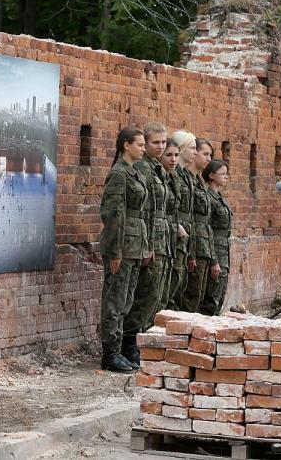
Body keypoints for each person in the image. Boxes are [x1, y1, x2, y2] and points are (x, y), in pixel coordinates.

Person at [99, 126, 148, 373]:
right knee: (115, 300)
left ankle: (119, 350)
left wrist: (145, 246)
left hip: (135, 245)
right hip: (122, 246)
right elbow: (113, 214)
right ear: (126, 145)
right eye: (139, 144)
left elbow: (139, 216)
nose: (144, 148)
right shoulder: (119, 174)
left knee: (126, 300)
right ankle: (110, 353)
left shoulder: (133, 172)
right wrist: (115, 251)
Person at [121, 123, 169, 367]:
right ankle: (129, 344)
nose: (160, 147)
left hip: (158, 237)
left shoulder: (156, 167)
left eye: (163, 142)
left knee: (153, 294)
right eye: (155, 143)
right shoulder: (143, 167)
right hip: (147, 238)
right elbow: (145, 209)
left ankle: (138, 341)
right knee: (143, 294)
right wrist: (148, 244)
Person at [181, 138, 215, 313]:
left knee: (199, 296)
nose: (208, 159)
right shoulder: (187, 180)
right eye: (205, 153)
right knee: (189, 296)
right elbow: (190, 217)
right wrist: (191, 252)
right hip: (190, 243)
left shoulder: (199, 181)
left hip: (202, 243)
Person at [168, 130, 197, 310]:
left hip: (185, 232)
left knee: (180, 283)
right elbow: (173, 205)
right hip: (176, 232)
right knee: (174, 282)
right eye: (192, 148)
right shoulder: (175, 174)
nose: (195, 152)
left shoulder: (185, 174)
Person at [200, 159, 232, 315]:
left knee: (220, 294)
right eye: (223, 174)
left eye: (227, 174)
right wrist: (214, 260)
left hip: (224, 250)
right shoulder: (208, 198)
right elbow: (207, 229)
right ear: (211, 175)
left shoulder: (219, 197)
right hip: (215, 251)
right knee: (211, 298)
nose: (226, 177)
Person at [158, 138, 181, 311]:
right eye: (169, 155)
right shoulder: (154, 175)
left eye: (176, 155)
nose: (173, 159)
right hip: (158, 239)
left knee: (167, 293)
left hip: (170, 239)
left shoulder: (172, 177)